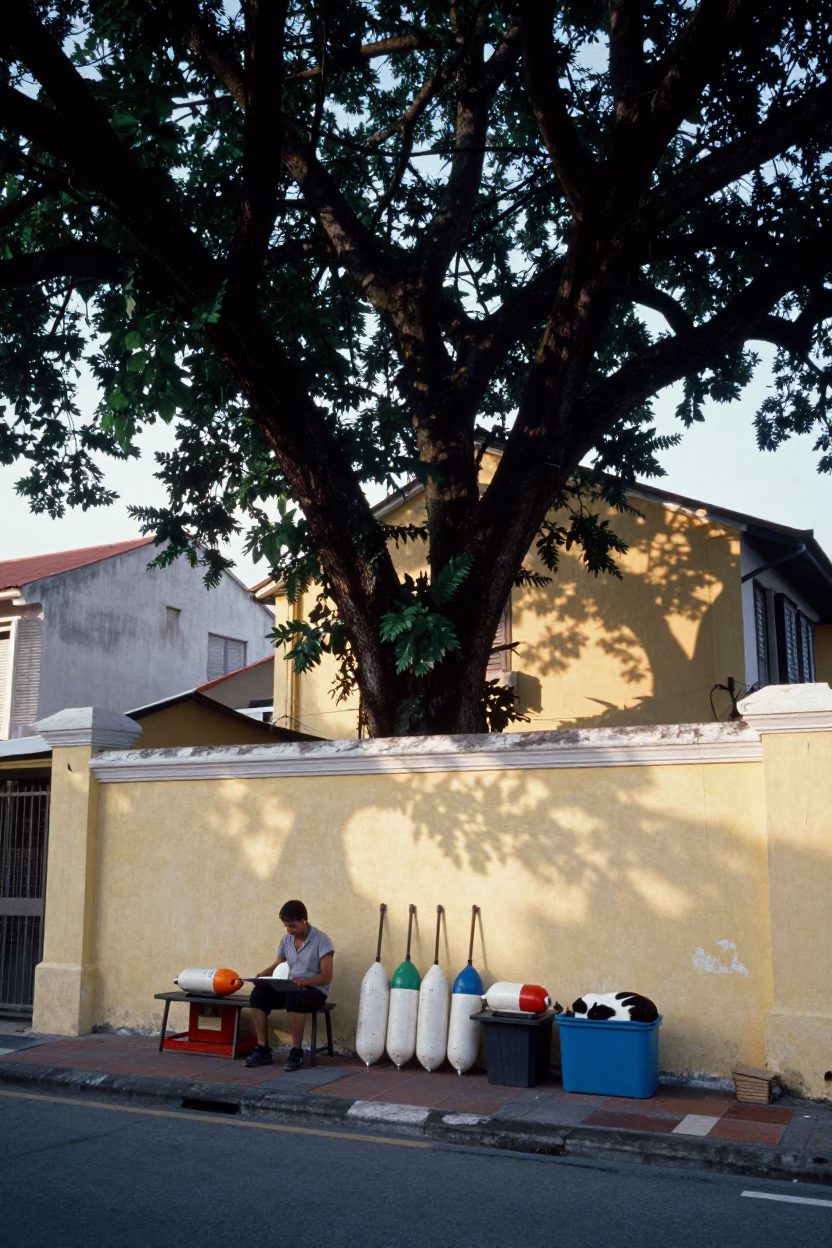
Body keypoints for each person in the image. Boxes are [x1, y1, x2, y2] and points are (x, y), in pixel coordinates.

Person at [245, 900, 334, 1071]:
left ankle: (296, 1052)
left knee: (294, 999)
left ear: (304, 920)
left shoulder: (322, 940)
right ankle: (262, 1049)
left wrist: (307, 982)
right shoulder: (287, 939)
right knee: (258, 995)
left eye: (292, 926)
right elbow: (278, 962)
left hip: (315, 990)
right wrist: (263, 974)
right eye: (286, 927)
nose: (289, 930)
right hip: (292, 986)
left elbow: (327, 976)